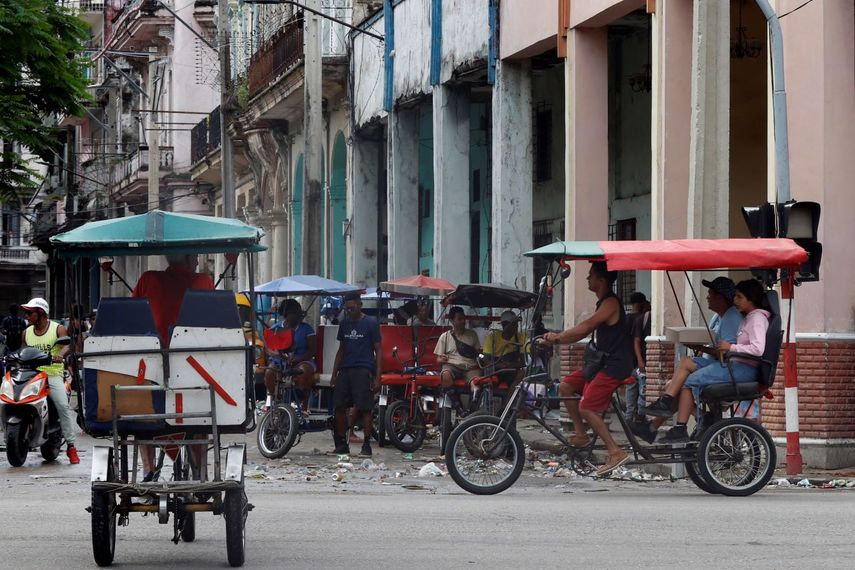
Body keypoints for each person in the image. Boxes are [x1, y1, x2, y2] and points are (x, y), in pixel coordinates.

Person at [643, 279, 770, 443]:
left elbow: (758, 349)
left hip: (740, 368)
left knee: (689, 382)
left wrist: (731, 348)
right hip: (733, 365)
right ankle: (666, 404)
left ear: (750, 299)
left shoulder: (756, 319)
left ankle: (681, 428)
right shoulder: (744, 318)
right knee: (686, 362)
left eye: (739, 297)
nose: (735, 300)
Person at [538, 262, 634, 476]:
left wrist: (559, 337)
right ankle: (581, 435)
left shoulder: (610, 303)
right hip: (600, 362)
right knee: (565, 386)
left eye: (591, 275)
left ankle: (615, 451)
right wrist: (556, 339)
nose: (587, 279)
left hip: (615, 365)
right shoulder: (602, 302)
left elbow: (587, 327)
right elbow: (584, 331)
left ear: (602, 280)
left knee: (587, 407)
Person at [132, 254, 215, 481]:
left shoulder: (148, 279)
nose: (197, 262)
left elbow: (134, 317)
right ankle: (202, 472)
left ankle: (148, 468)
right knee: (200, 415)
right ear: (191, 259)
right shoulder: (204, 281)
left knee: (142, 411)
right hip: (193, 363)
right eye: (196, 258)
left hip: (150, 360)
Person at [19, 298, 79, 464]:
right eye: (26, 312)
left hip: (52, 374)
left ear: (41, 313)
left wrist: (62, 354)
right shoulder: (26, 332)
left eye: (30, 312)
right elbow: (23, 352)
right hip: (31, 374)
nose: (27, 315)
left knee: (62, 405)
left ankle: (71, 446)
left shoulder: (57, 328)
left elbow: (68, 345)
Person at [330, 292, 381, 457]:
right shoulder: (344, 324)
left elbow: (378, 350)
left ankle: (366, 445)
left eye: (352, 307)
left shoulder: (371, 323)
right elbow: (341, 350)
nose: (349, 311)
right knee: (339, 406)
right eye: (347, 308)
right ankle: (341, 443)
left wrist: (377, 377)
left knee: (365, 408)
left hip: (363, 369)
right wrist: (334, 374)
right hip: (345, 370)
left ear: (360, 305)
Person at [263, 299, 317, 413]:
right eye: (295, 314)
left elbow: (312, 350)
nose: (298, 316)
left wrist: (298, 359)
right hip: (280, 362)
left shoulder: (306, 329)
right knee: (269, 372)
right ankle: (276, 402)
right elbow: (268, 349)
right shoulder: (276, 328)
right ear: (287, 314)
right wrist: (276, 353)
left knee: (304, 370)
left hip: (302, 360)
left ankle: (304, 405)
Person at [434, 306, 482, 414]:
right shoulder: (444, 337)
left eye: (463, 318)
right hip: (452, 365)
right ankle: (458, 408)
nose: (463, 321)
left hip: (470, 366)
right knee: (445, 375)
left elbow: (479, 353)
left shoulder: (472, 335)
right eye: (459, 319)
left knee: (476, 382)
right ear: (452, 320)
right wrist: (442, 359)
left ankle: (472, 408)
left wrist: (479, 360)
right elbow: (438, 360)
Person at [623, 292, 651, 423]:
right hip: (640, 361)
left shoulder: (626, 319)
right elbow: (636, 341)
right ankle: (640, 416)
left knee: (631, 388)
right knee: (642, 389)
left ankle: (629, 416)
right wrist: (640, 360)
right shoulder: (642, 318)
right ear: (641, 304)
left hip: (628, 360)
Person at [482, 310, 528, 388]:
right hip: (495, 370)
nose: (516, 326)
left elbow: (523, 362)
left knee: (522, 374)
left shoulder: (521, 337)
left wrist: (510, 365)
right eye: (513, 324)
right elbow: (486, 362)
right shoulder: (492, 338)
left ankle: (509, 399)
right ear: (504, 325)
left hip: (511, 371)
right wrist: (500, 365)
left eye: (516, 324)